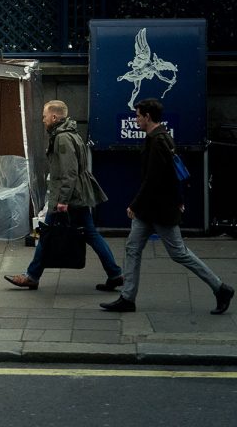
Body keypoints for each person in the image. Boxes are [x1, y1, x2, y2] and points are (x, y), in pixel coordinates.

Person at [100, 98, 234, 314]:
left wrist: (135, 204)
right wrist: (179, 198)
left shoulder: (158, 141)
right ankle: (127, 298)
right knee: (133, 248)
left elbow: (154, 179)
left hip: (159, 210)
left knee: (179, 253)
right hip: (151, 210)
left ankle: (220, 288)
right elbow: (174, 173)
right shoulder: (161, 137)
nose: (136, 119)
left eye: (138, 115)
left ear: (147, 117)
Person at [4, 100, 123, 290]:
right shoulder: (70, 133)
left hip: (68, 197)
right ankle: (115, 273)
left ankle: (32, 276)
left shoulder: (62, 138)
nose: (43, 120)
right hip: (76, 194)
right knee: (87, 234)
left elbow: (69, 171)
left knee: (48, 234)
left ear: (53, 117)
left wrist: (63, 200)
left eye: (44, 116)